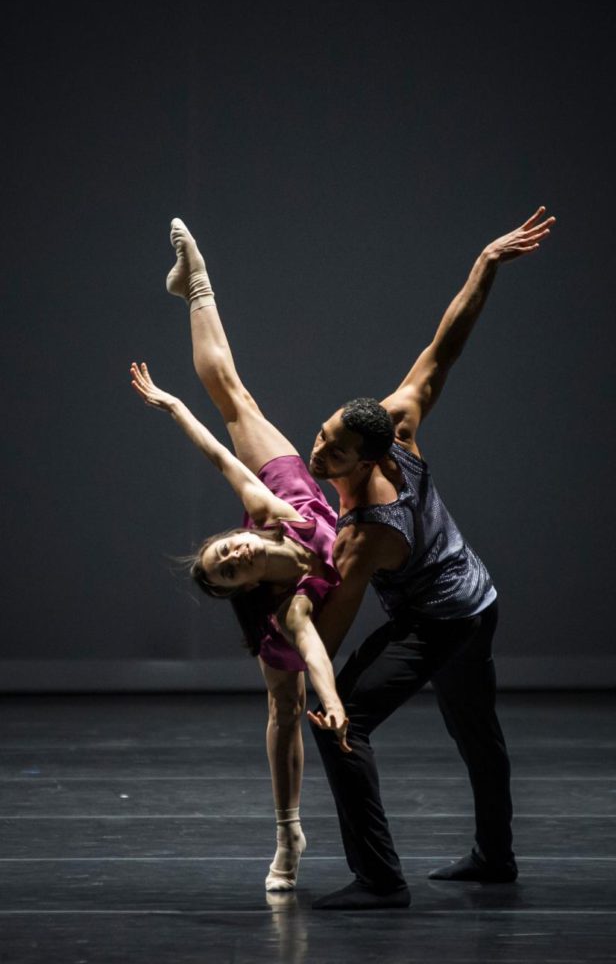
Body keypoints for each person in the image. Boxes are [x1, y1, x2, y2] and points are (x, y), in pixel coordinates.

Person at [306, 207, 556, 909]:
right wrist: (485, 262)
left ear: (372, 457)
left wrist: (306, 684)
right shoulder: (397, 416)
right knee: (475, 727)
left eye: (333, 452)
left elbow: (333, 625)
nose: (318, 452)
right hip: (478, 599)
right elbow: (447, 345)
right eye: (323, 435)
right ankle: (495, 858)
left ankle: (380, 880)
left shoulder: (367, 533)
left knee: (341, 722)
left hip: (442, 618)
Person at [130, 219, 351, 893]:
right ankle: (289, 835)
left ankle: (193, 280)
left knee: (232, 392)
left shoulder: (264, 510)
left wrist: (170, 404)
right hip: (301, 577)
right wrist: (331, 699)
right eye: (229, 568)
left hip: (296, 504)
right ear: (244, 581)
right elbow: (313, 649)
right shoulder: (283, 611)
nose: (226, 552)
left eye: (218, 551)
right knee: (283, 711)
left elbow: (219, 451)